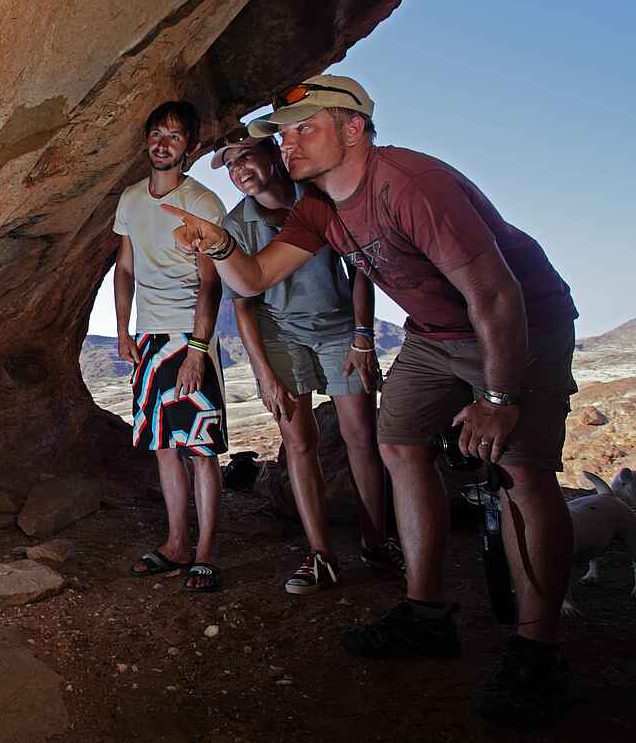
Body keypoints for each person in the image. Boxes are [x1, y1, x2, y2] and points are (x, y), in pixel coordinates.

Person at [162, 76, 577, 725]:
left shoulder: (411, 184)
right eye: (284, 133)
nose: (288, 144)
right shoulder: (319, 206)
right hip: (436, 333)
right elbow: (256, 277)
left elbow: (496, 294)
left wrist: (499, 397)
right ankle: (426, 612)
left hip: (522, 322)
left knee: (522, 473)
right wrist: (218, 244)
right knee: (398, 442)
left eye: (305, 128)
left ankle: (537, 648)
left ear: (353, 128)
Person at [206, 129, 401, 594]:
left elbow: (361, 269)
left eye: (245, 157)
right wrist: (264, 374)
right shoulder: (235, 225)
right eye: (230, 165)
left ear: (273, 153)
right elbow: (242, 304)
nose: (238, 171)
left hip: (339, 328)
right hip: (279, 333)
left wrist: (363, 336)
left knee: (361, 437)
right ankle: (321, 554)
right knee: (298, 443)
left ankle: (376, 542)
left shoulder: (319, 198)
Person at [114, 100, 230, 593]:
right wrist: (123, 330)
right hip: (148, 336)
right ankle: (176, 543)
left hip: (188, 334)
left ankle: (205, 553)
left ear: (191, 147)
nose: (163, 144)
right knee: (163, 446)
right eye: (157, 134)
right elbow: (125, 268)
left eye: (175, 136)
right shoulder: (130, 199)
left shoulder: (202, 202)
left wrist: (198, 351)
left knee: (201, 449)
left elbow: (211, 282)